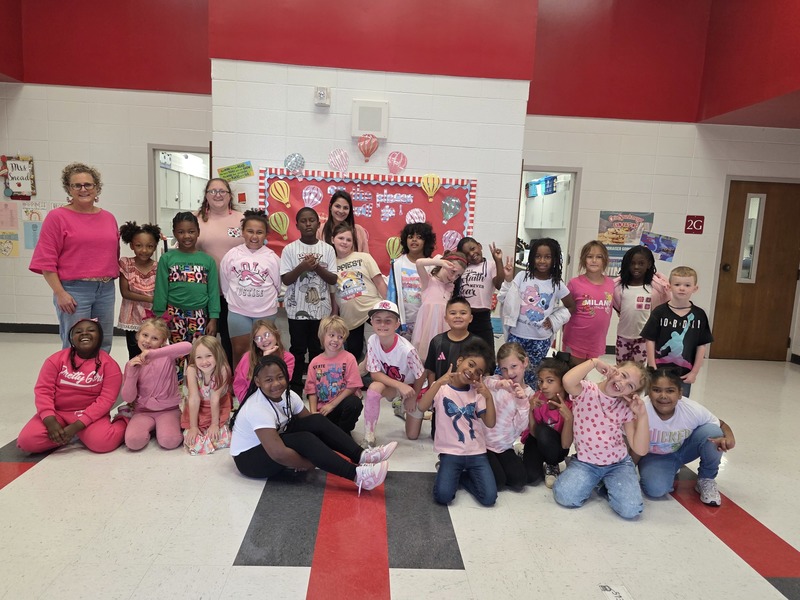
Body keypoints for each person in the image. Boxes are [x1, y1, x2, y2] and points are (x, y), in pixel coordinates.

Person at [229, 355, 394, 495]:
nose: (276, 384)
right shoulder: (257, 407)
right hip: (249, 460)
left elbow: (313, 425)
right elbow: (278, 453)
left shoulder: (289, 395)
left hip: (272, 444)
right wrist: (307, 462)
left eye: (280, 377)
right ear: (257, 381)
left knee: (317, 420)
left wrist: (316, 453)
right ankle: (359, 477)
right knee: (303, 439)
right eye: (268, 380)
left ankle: (362, 456)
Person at [29, 163, 120, 353]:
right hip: (73, 290)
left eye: (88, 185)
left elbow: (112, 254)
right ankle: (73, 381)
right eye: (77, 186)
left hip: (105, 289)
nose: (83, 189)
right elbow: (46, 261)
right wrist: (59, 292)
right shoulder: (57, 217)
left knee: (103, 342)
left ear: (97, 188)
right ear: (68, 189)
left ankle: (98, 381)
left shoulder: (108, 218)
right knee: (76, 343)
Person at [552, 358, 650, 519]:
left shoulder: (625, 407)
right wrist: (595, 363)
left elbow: (640, 449)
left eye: (630, 386)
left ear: (631, 393)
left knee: (631, 510)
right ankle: (598, 482)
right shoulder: (586, 390)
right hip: (586, 463)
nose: (623, 383)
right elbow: (568, 381)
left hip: (618, 464)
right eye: (623, 375)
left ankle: (605, 483)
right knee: (565, 497)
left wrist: (642, 415)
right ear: (614, 369)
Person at [17, 318, 125, 453]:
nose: (84, 334)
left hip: (89, 414)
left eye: (91, 330)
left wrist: (76, 426)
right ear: (72, 338)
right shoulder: (55, 360)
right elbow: (43, 391)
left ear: (100, 337)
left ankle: (124, 420)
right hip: (58, 412)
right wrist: (50, 420)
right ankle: (65, 434)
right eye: (78, 331)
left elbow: (106, 400)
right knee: (27, 442)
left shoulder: (110, 365)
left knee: (102, 443)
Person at [635, 367, 735, 506]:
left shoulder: (691, 409)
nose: (663, 396)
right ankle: (668, 468)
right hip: (655, 456)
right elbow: (629, 444)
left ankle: (706, 479)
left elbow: (721, 424)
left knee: (713, 432)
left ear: (680, 393)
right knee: (655, 490)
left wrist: (730, 437)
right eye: (657, 390)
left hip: (684, 448)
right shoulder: (640, 410)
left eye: (670, 390)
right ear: (648, 393)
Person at [418, 339, 498, 507]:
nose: (471, 372)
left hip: (476, 453)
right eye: (470, 364)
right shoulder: (441, 388)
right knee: (443, 496)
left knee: (489, 498)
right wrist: (439, 382)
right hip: (451, 452)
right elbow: (421, 406)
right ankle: (447, 472)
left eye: (478, 371)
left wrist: (488, 396)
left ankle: (461, 477)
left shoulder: (477, 393)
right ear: (460, 361)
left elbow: (490, 423)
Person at [500, 238, 575, 386]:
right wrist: (508, 279)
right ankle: (507, 404)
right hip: (517, 335)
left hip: (540, 340)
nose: (542, 261)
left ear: (554, 259)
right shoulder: (522, 276)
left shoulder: (557, 283)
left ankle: (527, 406)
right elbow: (506, 298)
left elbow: (571, 306)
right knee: (508, 372)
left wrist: (555, 319)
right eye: (538, 256)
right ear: (532, 257)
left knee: (531, 376)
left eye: (547, 257)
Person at [280, 207, 338, 395]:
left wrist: (317, 268)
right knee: (297, 349)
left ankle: (317, 387)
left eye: (311, 220)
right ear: (297, 225)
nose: (308, 224)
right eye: (303, 221)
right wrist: (303, 266)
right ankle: (295, 388)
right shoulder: (290, 249)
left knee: (317, 349)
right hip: (296, 310)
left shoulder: (327, 249)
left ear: (318, 223)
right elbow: (286, 279)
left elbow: (333, 279)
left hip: (321, 310)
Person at [219, 209, 281, 368]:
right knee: (240, 352)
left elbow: (278, 285)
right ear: (243, 232)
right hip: (238, 312)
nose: (254, 236)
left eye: (259, 232)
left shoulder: (272, 258)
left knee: (264, 352)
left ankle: (261, 387)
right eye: (250, 231)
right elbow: (225, 283)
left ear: (266, 234)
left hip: (265, 313)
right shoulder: (232, 255)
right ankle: (240, 387)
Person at [119, 317, 191, 451]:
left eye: (154, 338)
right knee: (133, 442)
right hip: (143, 411)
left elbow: (188, 346)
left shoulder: (167, 355)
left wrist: (154, 353)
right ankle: (153, 428)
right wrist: (132, 372)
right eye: (145, 335)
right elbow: (128, 398)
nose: (147, 341)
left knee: (170, 441)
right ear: (138, 335)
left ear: (162, 342)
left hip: (168, 409)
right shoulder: (132, 364)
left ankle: (162, 428)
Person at [641, 266, 713, 397]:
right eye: (677, 284)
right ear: (669, 287)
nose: (682, 288)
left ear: (695, 288)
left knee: (680, 405)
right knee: (651, 402)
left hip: (684, 374)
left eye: (687, 285)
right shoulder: (659, 312)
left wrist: (694, 373)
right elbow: (650, 339)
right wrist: (652, 367)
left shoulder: (699, 315)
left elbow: (701, 345)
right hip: (658, 370)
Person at [195, 178, 243, 368]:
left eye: (222, 191)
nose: (217, 195)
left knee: (231, 337)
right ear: (206, 195)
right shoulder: (196, 218)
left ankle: (229, 377)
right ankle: (207, 378)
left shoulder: (241, 219)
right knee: (208, 337)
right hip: (205, 290)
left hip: (235, 291)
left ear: (229, 195)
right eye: (213, 191)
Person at [153, 212, 220, 347]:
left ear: (198, 232)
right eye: (181, 232)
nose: (186, 236)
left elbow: (213, 292)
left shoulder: (208, 260)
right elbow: (161, 289)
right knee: (175, 352)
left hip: (199, 313)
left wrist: (213, 318)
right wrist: (159, 315)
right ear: (175, 233)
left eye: (191, 231)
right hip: (173, 314)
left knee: (198, 352)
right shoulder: (167, 259)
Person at [364, 301, 426, 444]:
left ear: (397, 324)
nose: (382, 325)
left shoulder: (407, 350)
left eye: (388, 321)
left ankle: (405, 405)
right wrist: (399, 386)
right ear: (371, 322)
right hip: (397, 385)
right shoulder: (372, 340)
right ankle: (369, 435)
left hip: (413, 387)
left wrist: (413, 396)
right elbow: (374, 374)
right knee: (373, 389)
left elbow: (421, 375)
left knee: (412, 435)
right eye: (378, 321)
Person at [332, 223, 387, 360]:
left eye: (349, 240)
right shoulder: (331, 264)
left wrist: (390, 306)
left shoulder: (364, 257)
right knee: (354, 354)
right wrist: (334, 315)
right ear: (333, 239)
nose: (345, 242)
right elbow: (333, 293)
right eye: (341, 238)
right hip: (349, 317)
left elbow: (379, 282)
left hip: (372, 308)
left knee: (386, 340)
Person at [482, 342, 533, 491]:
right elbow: (484, 381)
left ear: (525, 362)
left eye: (513, 366)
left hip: (504, 447)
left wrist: (522, 403)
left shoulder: (529, 394)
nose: (509, 373)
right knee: (497, 482)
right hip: (483, 444)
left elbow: (521, 427)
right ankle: (461, 470)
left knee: (519, 482)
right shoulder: (496, 381)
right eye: (504, 369)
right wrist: (499, 385)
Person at [423, 297, 477, 437]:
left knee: (465, 434)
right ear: (446, 318)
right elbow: (431, 371)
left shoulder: (477, 344)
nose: (458, 316)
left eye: (463, 313)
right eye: (453, 313)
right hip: (442, 399)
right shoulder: (437, 341)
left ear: (470, 318)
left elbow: (482, 373)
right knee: (439, 435)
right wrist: (432, 395)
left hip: (468, 399)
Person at [305, 316, 363, 434]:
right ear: (322, 336)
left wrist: (332, 405)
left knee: (355, 403)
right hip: (323, 412)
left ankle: (342, 433)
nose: (336, 340)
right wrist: (313, 414)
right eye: (331, 335)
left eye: (340, 337)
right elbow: (312, 391)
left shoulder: (349, 358)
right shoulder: (315, 362)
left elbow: (352, 386)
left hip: (340, 406)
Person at [612, 245, 670, 364]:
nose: (636, 267)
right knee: (621, 368)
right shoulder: (619, 287)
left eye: (641, 263)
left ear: (648, 264)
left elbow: (662, 306)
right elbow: (618, 307)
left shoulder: (655, 288)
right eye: (632, 263)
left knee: (640, 371)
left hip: (644, 338)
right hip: (623, 335)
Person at [562, 240, 615, 367]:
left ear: (605, 260)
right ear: (583, 260)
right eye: (590, 257)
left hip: (596, 341)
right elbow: (566, 311)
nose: (594, 260)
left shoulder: (611, 284)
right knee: (572, 374)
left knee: (585, 375)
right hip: (576, 340)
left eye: (599, 257)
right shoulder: (574, 283)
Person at [522, 357, 573, 488]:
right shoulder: (538, 398)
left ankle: (552, 464)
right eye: (541, 381)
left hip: (558, 448)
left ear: (563, 383)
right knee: (530, 477)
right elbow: (534, 433)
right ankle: (523, 453)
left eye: (550, 381)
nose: (543, 386)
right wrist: (530, 410)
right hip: (537, 440)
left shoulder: (571, 404)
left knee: (543, 431)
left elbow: (566, 444)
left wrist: (569, 419)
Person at [411, 251, 467, 361]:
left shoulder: (450, 287)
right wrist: (441, 262)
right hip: (426, 328)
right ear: (444, 264)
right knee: (424, 357)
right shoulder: (428, 281)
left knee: (440, 358)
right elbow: (419, 263)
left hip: (443, 328)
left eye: (458, 275)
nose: (454, 277)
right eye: (453, 271)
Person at [181, 336, 232, 455]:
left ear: (217, 354)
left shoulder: (223, 369)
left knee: (221, 436)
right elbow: (194, 398)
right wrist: (193, 427)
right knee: (191, 438)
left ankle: (209, 440)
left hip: (218, 408)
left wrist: (215, 424)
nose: (204, 362)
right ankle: (202, 440)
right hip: (197, 410)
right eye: (199, 357)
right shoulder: (192, 370)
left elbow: (215, 399)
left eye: (209, 356)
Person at [118, 221, 161, 360]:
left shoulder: (158, 267)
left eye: (149, 246)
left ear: (155, 247)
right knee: (134, 352)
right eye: (139, 245)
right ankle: (134, 380)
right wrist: (150, 298)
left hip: (151, 318)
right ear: (131, 245)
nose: (144, 250)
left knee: (152, 353)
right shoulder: (126, 263)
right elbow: (125, 293)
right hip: (131, 317)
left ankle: (150, 380)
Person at [455, 237, 506, 349]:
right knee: (463, 353)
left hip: (483, 318)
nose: (472, 254)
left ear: (479, 246)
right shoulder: (463, 267)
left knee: (487, 355)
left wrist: (498, 261)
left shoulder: (491, 264)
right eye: (467, 254)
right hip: (463, 318)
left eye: (473, 248)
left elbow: (499, 285)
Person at [233, 319, 295, 403]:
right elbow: (239, 384)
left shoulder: (288, 357)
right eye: (258, 338)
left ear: (276, 334)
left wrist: (266, 359)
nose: (264, 340)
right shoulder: (247, 357)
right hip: (251, 401)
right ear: (255, 343)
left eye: (267, 334)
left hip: (276, 399)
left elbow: (282, 383)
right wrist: (247, 402)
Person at [394, 222, 436, 339]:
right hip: (403, 320)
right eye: (410, 237)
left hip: (425, 319)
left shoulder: (432, 265)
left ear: (426, 241)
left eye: (419, 237)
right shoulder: (397, 264)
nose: (414, 240)